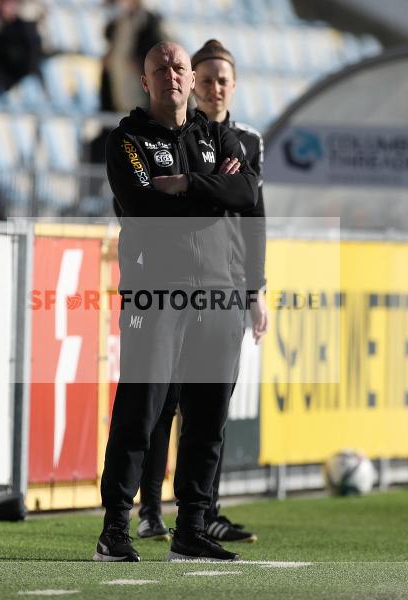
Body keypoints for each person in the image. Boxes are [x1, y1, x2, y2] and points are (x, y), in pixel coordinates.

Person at [96, 41, 257, 563]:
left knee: (208, 418)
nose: (171, 74)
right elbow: (144, 206)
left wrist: (187, 184)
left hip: (219, 293)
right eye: (160, 68)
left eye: (179, 67)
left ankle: (191, 528)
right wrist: (214, 191)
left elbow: (246, 192)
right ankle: (114, 528)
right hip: (156, 293)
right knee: (141, 412)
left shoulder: (215, 134)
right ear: (145, 81)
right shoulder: (128, 140)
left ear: (190, 79)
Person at [136, 39, 266, 546]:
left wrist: (255, 287)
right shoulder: (178, 133)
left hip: (226, 281)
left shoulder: (245, 140)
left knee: (211, 407)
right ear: (194, 83)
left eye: (221, 81)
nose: (213, 88)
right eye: (206, 79)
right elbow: (153, 199)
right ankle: (151, 507)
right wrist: (212, 182)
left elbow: (251, 210)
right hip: (178, 280)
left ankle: (203, 511)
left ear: (233, 85)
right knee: (163, 401)